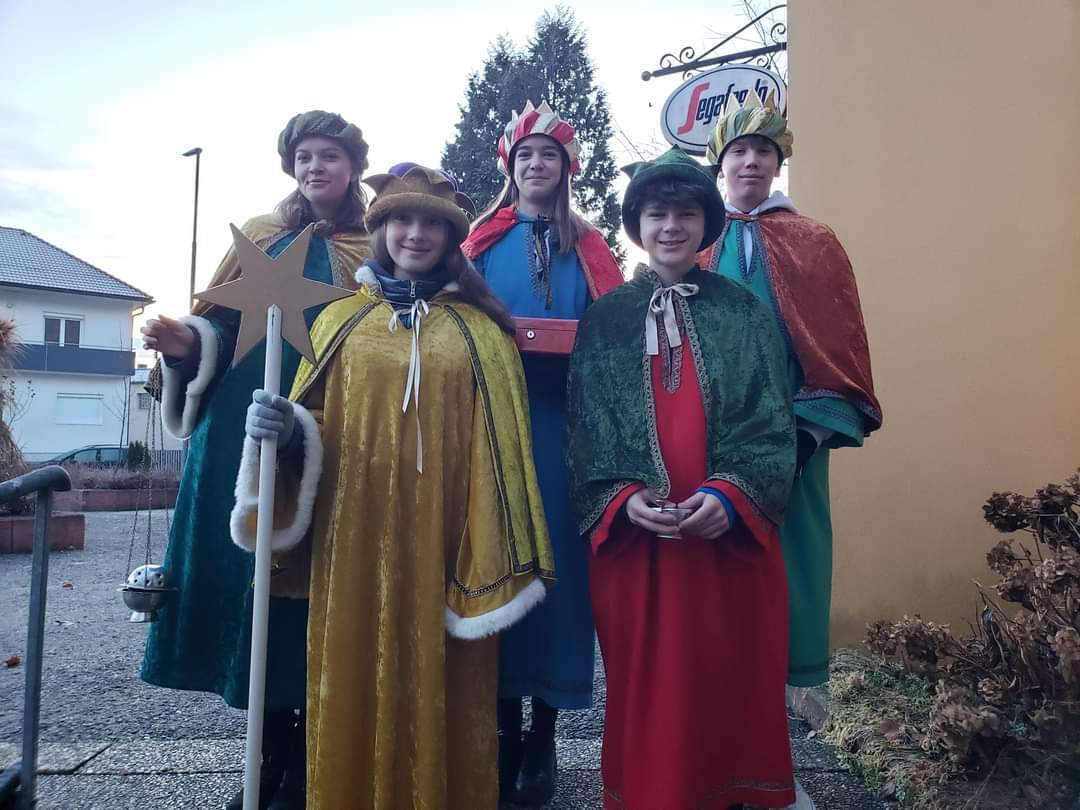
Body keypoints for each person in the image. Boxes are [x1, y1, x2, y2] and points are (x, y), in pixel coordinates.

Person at [232, 164, 555, 810]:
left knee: (445, 683)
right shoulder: (339, 322)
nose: (416, 234)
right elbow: (317, 419)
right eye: (402, 220)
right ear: (381, 230)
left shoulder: (482, 332)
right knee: (351, 673)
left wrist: (480, 543)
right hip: (352, 537)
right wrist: (287, 432)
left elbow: (501, 449)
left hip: (446, 536)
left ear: (451, 238)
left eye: (431, 223)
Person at [139, 110, 371, 810]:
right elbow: (215, 325)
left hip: (325, 435)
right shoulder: (262, 237)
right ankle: (267, 756)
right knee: (250, 587)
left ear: (354, 167)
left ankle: (309, 757)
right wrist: (183, 343)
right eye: (304, 157)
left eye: (329, 155)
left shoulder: (371, 246)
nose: (315, 167)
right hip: (238, 436)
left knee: (308, 589)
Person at [566, 146, 797, 809]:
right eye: (657, 214)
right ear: (637, 224)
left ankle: (730, 792)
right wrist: (620, 495)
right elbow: (586, 428)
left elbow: (771, 419)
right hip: (639, 537)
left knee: (729, 664)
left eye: (686, 214)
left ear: (706, 224)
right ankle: (654, 792)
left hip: (726, 531)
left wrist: (733, 492)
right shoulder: (606, 318)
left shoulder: (744, 312)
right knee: (651, 675)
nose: (671, 226)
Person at [461, 100, 623, 805]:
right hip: (492, 426)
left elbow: (616, 333)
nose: (536, 164)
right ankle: (502, 730)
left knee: (558, 571)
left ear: (566, 168)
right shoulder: (477, 242)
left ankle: (544, 732)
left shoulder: (590, 247)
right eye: (525, 155)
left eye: (548, 155)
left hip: (565, 430)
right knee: (499, 561)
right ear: (510, 165)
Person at [699, 91, 883, 688]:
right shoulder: (694, 242)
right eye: (738, 150)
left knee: (791, 555)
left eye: (763, 150)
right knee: (709, 556)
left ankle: (790, 705)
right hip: (705, 432)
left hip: (792, 432)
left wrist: (808, 436)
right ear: (720, 163)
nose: (750, 161)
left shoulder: (814, 241)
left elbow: (839, 343)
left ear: (779, 163)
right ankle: (717, 697)